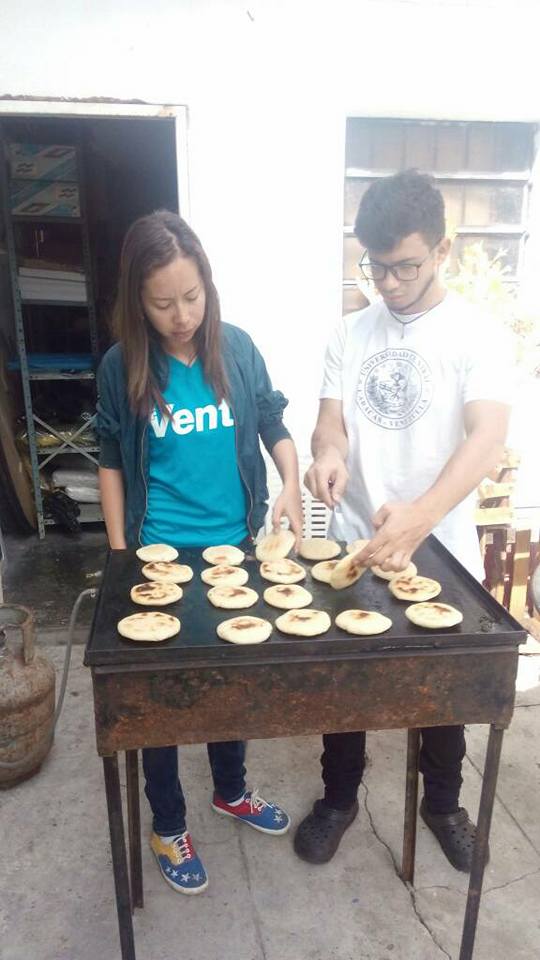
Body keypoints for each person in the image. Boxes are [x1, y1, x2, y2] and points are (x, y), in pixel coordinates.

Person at [294, 170, 512, 872]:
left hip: (440, 549)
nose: (388, 283)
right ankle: (338, 798)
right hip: (356, 547)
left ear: (443, 250)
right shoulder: (349, 332)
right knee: (346, 685)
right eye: (376, 266)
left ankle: (442, 805)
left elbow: (487, 437)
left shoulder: (478, 335)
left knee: (442, 694)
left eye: (405, 267)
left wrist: (422, 516)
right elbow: (329, 425)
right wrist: (328, 456)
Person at [97, 210, 303, 894]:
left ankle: (231, 790)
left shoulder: (236, 349)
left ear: (207, 286)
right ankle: (167, 823)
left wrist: (291, 482)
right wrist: (121, 555)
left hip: (234, 549)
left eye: (192, 296)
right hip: (159, 556)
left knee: (229, 680)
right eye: (162, 303)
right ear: (138, 300)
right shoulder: (122, 366)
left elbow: (270, 418)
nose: (181, 315)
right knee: (162, 697)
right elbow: (110, 459)